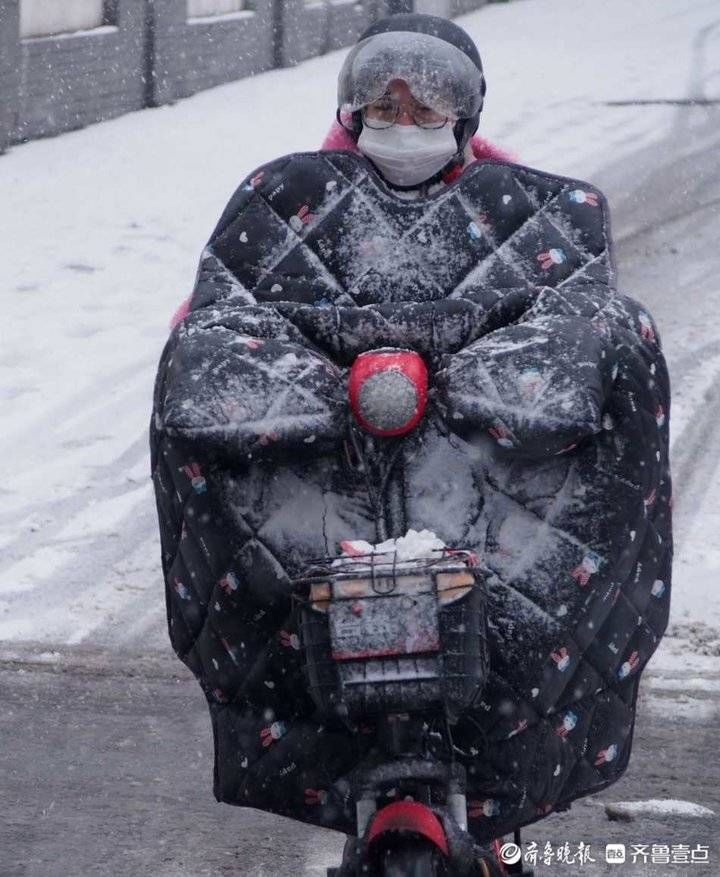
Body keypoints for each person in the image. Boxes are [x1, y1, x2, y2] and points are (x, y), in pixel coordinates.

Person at [152, 12, 671, 874]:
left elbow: (587, 333)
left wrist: (480, 384)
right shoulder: (281, 206)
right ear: (350, 106)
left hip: (483, 506)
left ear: (467, 112)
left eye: (430, 95)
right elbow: (215, 332)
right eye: (382, 91)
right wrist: (316, 386)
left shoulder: (545, 218)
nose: (404, 111)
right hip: (318, 507)